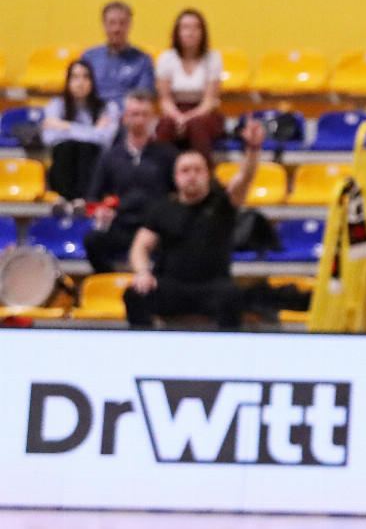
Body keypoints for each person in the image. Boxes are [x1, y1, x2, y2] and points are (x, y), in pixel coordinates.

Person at [124, 120, 265, 329]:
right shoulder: (162, 208)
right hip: (171, 287)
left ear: (207, 175)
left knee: (232, 297)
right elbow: (140, 246)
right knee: (135, 294)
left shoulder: (222, 202)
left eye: (198, 170)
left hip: (213, 287)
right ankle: (147, 344)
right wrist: (143, 272)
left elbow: (244, 178)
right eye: (185, 171)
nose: (192, 176)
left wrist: (253, 148)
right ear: (176, 177)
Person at [82, 90, 178, 272]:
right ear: (124, 118)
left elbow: (180, 192)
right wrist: (101, 210)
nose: (140, 120)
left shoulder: (168, 154)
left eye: (145, 114)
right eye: (134, 114)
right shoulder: (110, 156)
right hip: (122, 225)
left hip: (156, 228)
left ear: (153, 118)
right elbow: (93, 197)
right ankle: (110, 281)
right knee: (92, 240)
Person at [40, 59, 119, 200]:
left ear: (92, 81)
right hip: (64, 167)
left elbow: (106, 139)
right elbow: (49, 138)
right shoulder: (56, 105)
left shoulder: (107, 107)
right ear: (68, 81)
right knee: (66, 147)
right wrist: (94, 131)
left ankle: (84, 200)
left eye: (85, 77)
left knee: (86, 149)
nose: (80, 83)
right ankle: (65, 198)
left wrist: (65, 126)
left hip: (93, 166)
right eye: (75, 77)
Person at [154, 8, 227, 155]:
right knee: (166, 125)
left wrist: (187, 118)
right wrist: (178, 117)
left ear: (202, 32)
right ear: (177, 32)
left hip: (205, 113)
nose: (190, 32)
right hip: (175, 110)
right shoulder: (166, 58)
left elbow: (209, 101)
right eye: (185, 28)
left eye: (195, 28)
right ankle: (161, 167)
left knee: (196, 125)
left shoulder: (213, 58)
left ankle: (204, 167)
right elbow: (165, 99)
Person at [81, 0, 156, 109]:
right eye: (112, 23)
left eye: (122, 23)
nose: (116, 29)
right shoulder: (89, 58)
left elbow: (143, 98)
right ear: (103, 25)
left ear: (129, 25)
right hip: (94, 114)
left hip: (128, 115)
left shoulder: (143, 60)